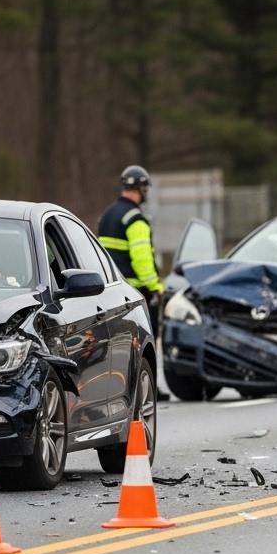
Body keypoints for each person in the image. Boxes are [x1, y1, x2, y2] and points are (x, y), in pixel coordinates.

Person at [98, 164, 169, 399]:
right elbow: (142, 258)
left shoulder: (107, 215)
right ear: (142, 188)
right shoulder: (135, 219)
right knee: (147, 339)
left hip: (112, 289)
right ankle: (150, 388)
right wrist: (155, 287)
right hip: (137, 291)